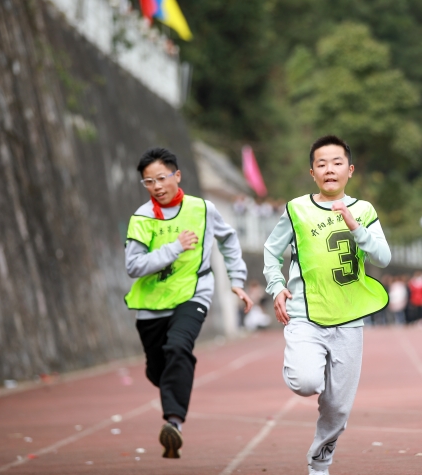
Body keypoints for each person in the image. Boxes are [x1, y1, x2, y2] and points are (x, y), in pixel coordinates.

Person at [263, 135, 391, 475]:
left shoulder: (363, 210)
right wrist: (276, 286)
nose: (329, 169)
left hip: (349, 319)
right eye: (321, 164)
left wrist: (356, 227)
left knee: (337, 407)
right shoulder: (296, 209)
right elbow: (271, 251)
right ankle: (302, 363)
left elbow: (384, 257)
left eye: (336, 163)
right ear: (312, 172)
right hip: (305, 314)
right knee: (306, 381)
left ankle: (320, 463)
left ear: (349, 170)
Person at [125, 147, 253, 459]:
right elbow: (134, 266)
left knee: (178, 348)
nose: (156, 186)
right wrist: (174, 247)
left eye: (161, 178)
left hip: (194, 293)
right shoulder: (141, 218)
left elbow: (228, 239)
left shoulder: (203, 209)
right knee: (160, 370)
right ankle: (174, 375)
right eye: (148, 182)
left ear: (177, 176)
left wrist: (237, 279)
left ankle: (173, 423)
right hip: (152, 303)